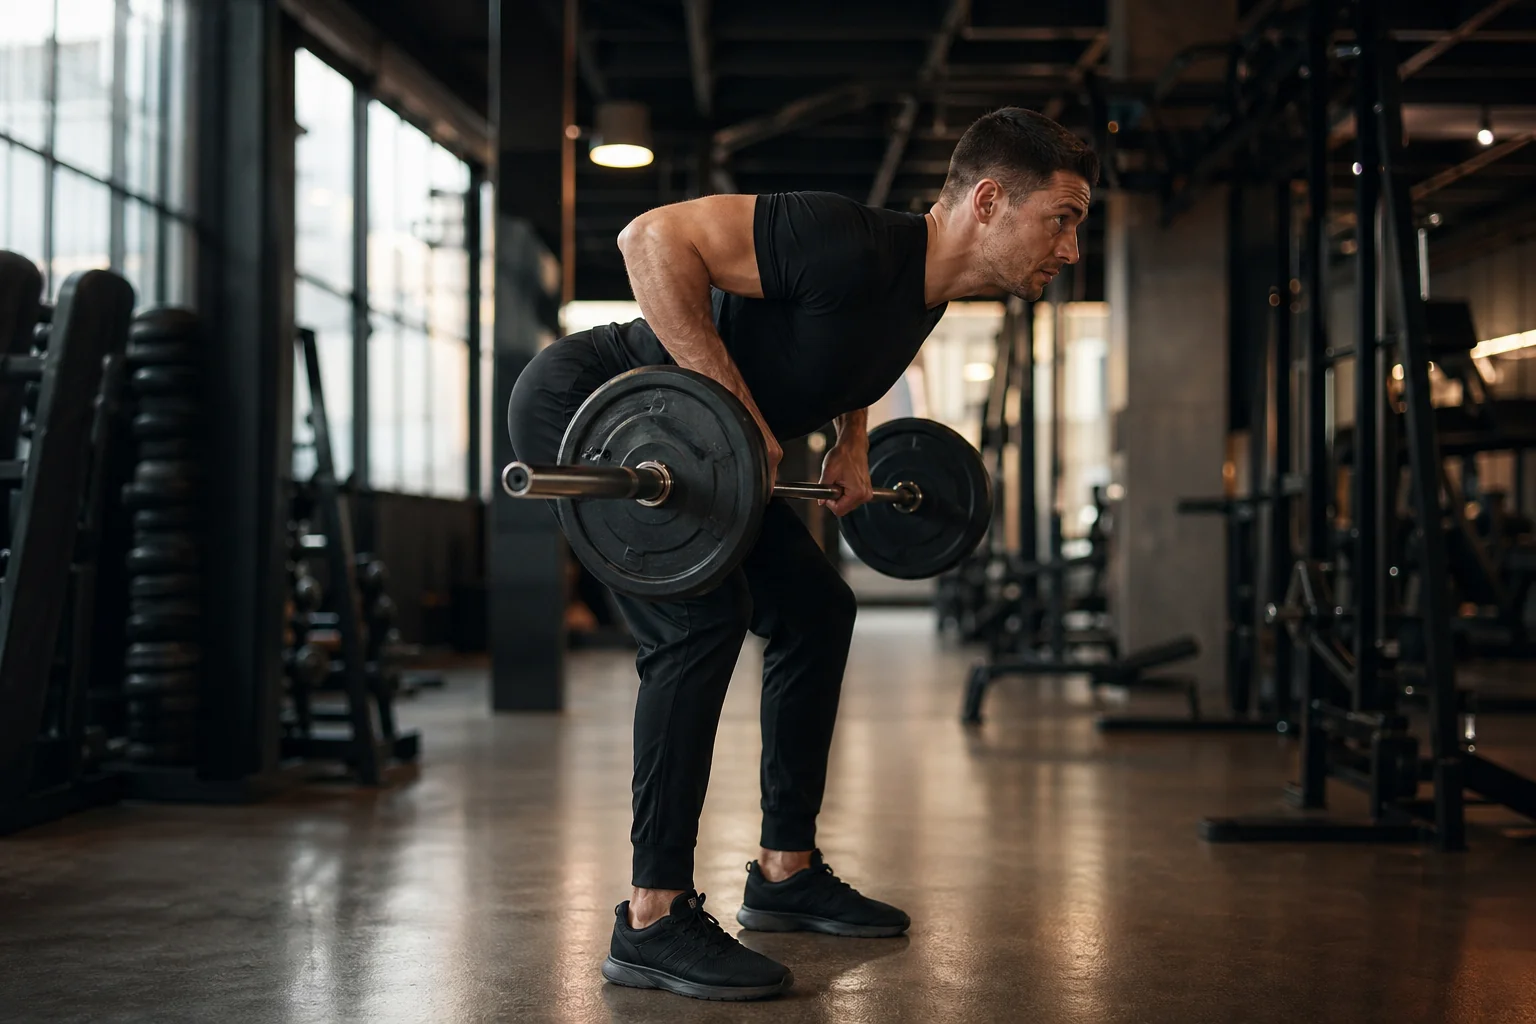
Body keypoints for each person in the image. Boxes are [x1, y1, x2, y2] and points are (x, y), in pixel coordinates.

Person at [507, 107, 1098, 1002]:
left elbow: (846, 355)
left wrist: (853, 438)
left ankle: (784, 874)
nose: (1072, 248)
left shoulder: (925, 294)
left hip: (709, 455)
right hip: (604, 413)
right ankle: (652, 918)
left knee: (819, 610)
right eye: (1063, 217)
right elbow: (650, 239)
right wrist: (734, 404)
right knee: (700, 626)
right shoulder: (843, 237)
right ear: (988, 200)